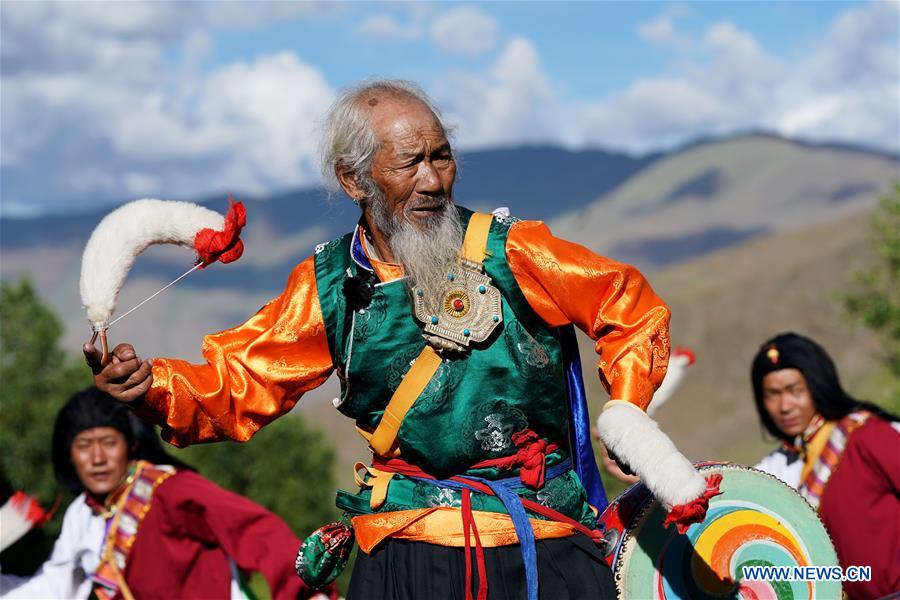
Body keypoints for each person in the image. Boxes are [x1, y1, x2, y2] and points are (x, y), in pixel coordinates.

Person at [86, 79, 714, 599]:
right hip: (404, 556)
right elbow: (239, 382)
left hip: (542, 548)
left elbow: (626, 303)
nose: (434, 181)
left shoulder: (513, 250)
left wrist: (628, 412)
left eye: (441, 156)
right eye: (409, 163)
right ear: (355, 181)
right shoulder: (329, 285)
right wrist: (153, 387)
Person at [0, 387, 325, 600]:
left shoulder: (171, 489)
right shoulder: (82, 515)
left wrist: (306, 590)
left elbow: (255, 530)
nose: (97, 458)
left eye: (108, 443)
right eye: (84, 446)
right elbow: (56, 588)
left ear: (131, 445)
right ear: (69, 455)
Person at [751, 332, 899, 600]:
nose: (785, 406)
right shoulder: (774, 470)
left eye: (795, 390)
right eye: (772, 395)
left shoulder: (868, 436)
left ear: (818, 385)